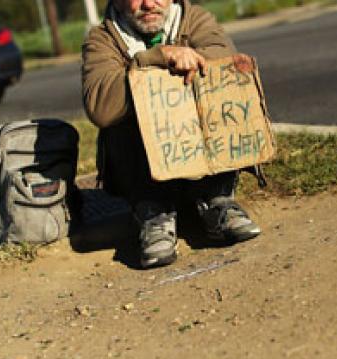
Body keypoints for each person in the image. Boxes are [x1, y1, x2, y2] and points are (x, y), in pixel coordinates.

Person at [82, 0, 261, 268]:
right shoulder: (102, 39)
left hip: (203, 167)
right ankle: (152, 213)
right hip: (142, 173)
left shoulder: (196, 18)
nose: (149, 3)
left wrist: (188, 58)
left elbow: (225, 58)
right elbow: (100, 108)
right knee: (126, 104)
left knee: (218, 88)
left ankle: (216, 200)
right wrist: (156, 58)